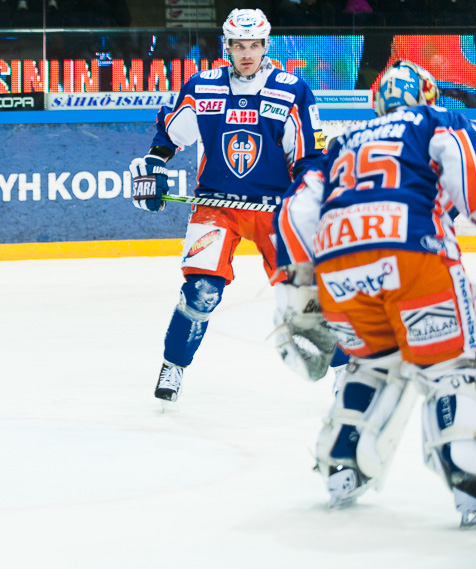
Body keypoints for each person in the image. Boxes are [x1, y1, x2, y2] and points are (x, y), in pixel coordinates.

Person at [272, 60, 476, 526]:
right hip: (414, 256)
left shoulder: (341, 142)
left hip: (341, 271)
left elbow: (296, 208)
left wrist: (298, 287)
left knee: (374, 365)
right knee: (452, 366)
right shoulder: (435, 120)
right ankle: (469, 480)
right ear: (426, 95)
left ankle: (342, 467)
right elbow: (462, 164)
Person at [129, 8, 330, 404]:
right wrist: (153, 162)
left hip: (276, 211)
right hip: (216, 207)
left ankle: (343, 372)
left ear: (265, 46)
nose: (247, 53)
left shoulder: (291, 90)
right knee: (201, 291)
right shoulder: (202, 87)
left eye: (254, 45)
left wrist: (306, 197)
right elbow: (170, 135)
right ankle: (174, 366)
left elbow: (308, 156)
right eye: (239, 45)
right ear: (227, 46)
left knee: (307, 293)